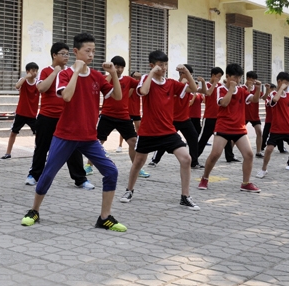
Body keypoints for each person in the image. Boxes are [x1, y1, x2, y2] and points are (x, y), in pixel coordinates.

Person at [21, 33, 127, 231]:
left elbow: (118, 97)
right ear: (77, 51)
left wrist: (113, 74)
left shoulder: (96, 76)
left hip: (89, 138)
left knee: (111, 171)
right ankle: (34, 210)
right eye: (88, 51)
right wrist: (77, 72)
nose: (91, 55)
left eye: (94, 51)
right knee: (49, 172)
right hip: (65, 135)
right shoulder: (65, 74)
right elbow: (67, 97)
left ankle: (105, 217)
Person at [120, 51, 200, 210]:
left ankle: (185, 196)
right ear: (152, 65)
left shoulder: (171, 83)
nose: (163, 68)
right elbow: (143, 91)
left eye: (165, 65)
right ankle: (129, 190)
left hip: (168, 131)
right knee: (138, 162)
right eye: (160, 65)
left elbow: (193, 88)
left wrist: (185, 72)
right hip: (148, 131)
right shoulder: (145, 79)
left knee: (186, 159)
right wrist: (151, 73)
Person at [26, 43, 91, 189]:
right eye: (63, 53)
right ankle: (34, 175)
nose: (66, 57)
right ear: (54, 55)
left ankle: (80, 179)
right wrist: (55, 72)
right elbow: (41, 88)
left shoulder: (71, 72)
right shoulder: (45, 71)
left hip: (67, 117)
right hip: (47, 116)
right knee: (42, 147)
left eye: (68, 54)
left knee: (74, 148)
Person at [198, 63, 261, 193]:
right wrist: (231, 89)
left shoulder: (242, 91)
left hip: (239, 128)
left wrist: (258, 88)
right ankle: (205, 178)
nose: (237, 81)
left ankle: (245, 183)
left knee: (248, 154)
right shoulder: (219, 89)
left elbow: (254, 100)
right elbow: (224, 103)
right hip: (223, 127)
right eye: (235, 77)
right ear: (228, 76)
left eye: (239, 78)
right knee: (215, 154)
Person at [91, 56, 147, 178]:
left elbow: (141, 86)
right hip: (107, 115)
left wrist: (145, 75)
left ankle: (137, 168)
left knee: (133, 142)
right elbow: (104, 84)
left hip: (124, 116)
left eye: (121, 67)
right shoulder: (106, 78)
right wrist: (111, 71)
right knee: (98, 141)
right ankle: (88, 166)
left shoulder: (128, 80)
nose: (119, 69)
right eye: (117, 66)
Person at [255, 72, 289, 181]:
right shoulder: (273, 94)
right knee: (269, 149)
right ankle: (263, 169)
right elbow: (274, 100)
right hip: (276, 128)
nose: (287, 85)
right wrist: (281, 89)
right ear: (279, 82)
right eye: (285, 83)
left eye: (288, 83)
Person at [196, 67, 237, 164]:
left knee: (226, 136)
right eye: (218, 76)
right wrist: (215, 83)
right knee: (203, 139)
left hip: (219, 117)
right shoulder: (207, 85)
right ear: (213, 75)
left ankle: (229, 156)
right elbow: (208, 93)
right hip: (209, 117)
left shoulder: (220, 86)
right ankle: (193, 158)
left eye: (220, 77)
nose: (219, 78)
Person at [2, 62, 40, 159]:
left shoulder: (38, 83)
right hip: (21, 113)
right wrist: (26, 77)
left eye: (36, 71)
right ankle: (8, 153)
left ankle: (38, 153)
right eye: (33, 71)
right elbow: (17, 86)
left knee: (39, 134)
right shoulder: (23, 81)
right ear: (27, 71)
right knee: (14, 132)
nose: (35, 73)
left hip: (32, 114)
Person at [245, 71, 265, 156]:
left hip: (254, 115)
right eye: (252, 79)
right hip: (244, 114)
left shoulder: (256, 88)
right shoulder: (241, 88)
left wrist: (266, 89)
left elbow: (263, 97)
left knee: (259, 132)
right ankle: (229, 152)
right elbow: (246, 97)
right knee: (237, 134)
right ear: (248, 78)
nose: (253, 81)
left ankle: (258, 151)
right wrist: (249, 88)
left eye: (254, 79)